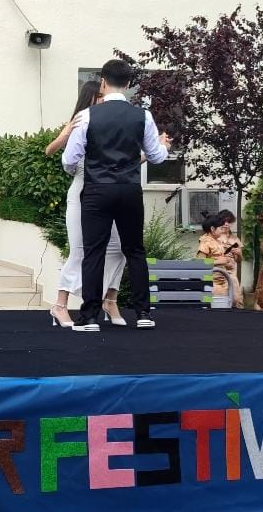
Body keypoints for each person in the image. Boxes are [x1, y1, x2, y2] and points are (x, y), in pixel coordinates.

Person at [62, 59, 171, 332]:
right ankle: (143, 313)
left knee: (94, 252)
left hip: (97, 190)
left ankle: (89, 317)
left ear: (103, 82)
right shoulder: (143, 116)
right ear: (129, 84)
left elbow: (69, 159)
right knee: (134, 250)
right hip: (129, 189)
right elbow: (156, 157)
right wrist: (163, 147)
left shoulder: (87, 116)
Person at [43, 80, 127, 328]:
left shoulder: (110, 125)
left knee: (119, 248)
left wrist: (157, 151)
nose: (104, 99)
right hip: (83, 191)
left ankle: (110, 300)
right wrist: (66, 132)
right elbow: (51, 152)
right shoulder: (81, 121)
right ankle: (60, 305)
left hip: (108, 192)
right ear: (91, 98)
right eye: (100, 96)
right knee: (79, 250)